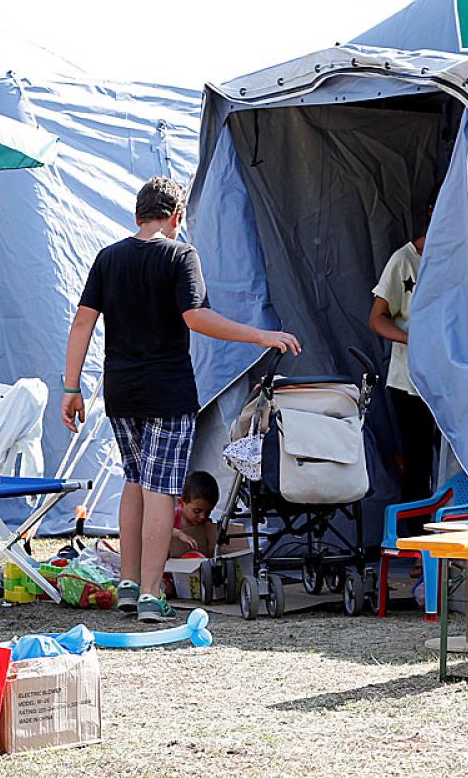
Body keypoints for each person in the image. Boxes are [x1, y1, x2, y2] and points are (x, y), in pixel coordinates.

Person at [61, 177, 300, 623]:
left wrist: (72, 387)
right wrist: (260, 336)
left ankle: (129, 585)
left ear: (137, 216)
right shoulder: (180, 255)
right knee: (160, 490)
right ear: (177, 217)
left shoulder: (107, 258)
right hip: (167, 392)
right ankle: (152, 593)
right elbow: (196, 316)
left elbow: (81, 324)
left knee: (133, 482)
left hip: (122, 391)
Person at [369, 225, 434, 500]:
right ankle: (416, 537)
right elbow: (377, 317)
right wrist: (411, 339)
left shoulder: (463, 254)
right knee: (417, 463)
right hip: (410, 380)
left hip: (456, 377)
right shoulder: (405, 259)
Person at [169, 470, 220, 559]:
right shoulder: (172, 517)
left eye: (208, 512)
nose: (202, 516)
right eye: (197, 511)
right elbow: (154, 529)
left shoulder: (205, 523)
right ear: (181, 503)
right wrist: (178, 534)